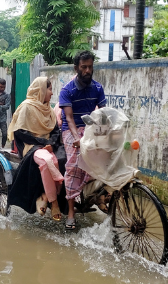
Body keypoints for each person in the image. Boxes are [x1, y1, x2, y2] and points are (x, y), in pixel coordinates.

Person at [6, 77, 66, 221]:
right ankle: (54, 201)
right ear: (41, 90)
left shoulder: (49, 110)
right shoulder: (26, 107)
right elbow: (20, 132)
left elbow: (56, 131)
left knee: (64, 159)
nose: (52, 93)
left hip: (47, 145)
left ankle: (45, 195)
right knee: (46, 161)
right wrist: (41, 141)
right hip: (31, 145)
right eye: (50, 89)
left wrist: (51, 143)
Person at [59, 51, 106, 230]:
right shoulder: (67, 90)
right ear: (76, 68)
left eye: (90, 67)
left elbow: (103, 113)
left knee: (106, 156)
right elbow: (69, 119)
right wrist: (78, 138)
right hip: (72, 130)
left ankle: (96, 195)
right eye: (83, 67)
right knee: (73, 165)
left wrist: (110, 131)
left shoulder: (98, 88)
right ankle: (71, 212)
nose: (87, 70)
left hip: (90, 127)